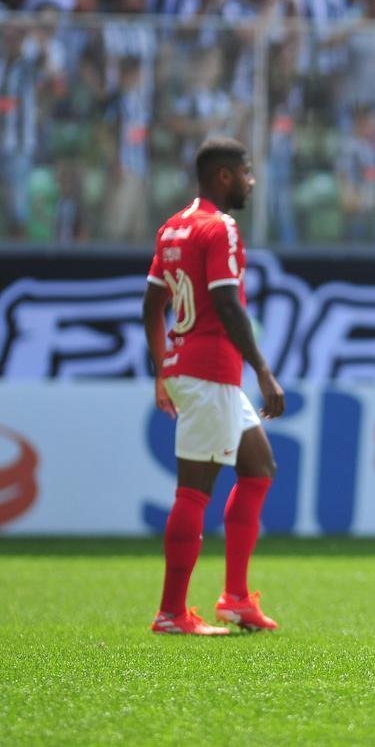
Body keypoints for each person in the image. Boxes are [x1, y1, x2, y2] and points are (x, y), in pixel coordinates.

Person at [142, 137, 286, 636]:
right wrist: (262, 369)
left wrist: (163, 369)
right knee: (193, 492)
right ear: (224, 175)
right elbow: (227, 304)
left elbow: (151, 307)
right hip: (209, 371)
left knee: (258, 467)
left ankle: (236, 599)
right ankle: (171, 612)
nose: (251, 182)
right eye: (246, 172)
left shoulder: (172, 227)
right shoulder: (219, 227)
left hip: (192, 367)